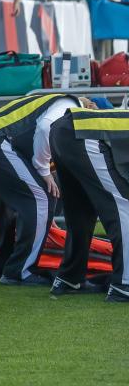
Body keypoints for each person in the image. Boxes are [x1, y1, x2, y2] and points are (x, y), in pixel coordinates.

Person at [0, 94, 92, 286]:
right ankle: (21, 271)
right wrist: (43, 170)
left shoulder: (50, 101)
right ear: (90, 107)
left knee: (5, 207)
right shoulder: (70, 105)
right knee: (42, 199)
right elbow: (46, 127)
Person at [50, 104, 129, 302]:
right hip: (85, 135)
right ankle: (125, 284)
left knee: (80, 213)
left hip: (63, 130)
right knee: (123, 208)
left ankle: (69, 277)